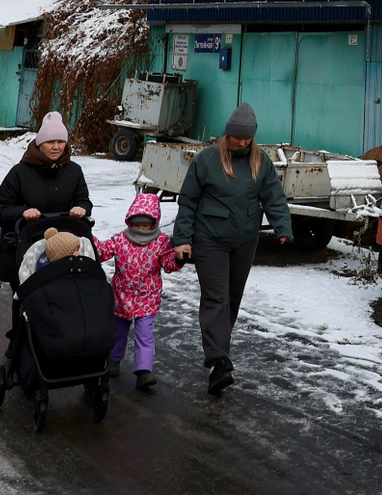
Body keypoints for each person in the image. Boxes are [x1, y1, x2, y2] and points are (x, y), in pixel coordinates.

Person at [171, 103, 290, 395]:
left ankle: (219, 353)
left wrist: (282, 227)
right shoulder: (207, 159)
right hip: (209, 239)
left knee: (232, 298)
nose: (242, 142)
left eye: (247, 138)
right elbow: (188, 200)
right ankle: (218, 361)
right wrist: (182, 238)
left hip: (245, 239)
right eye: (238, 137)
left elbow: (273, 195)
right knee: (216, 298)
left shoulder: (260, 161)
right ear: (227, 134)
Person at [0, 111, 92, 363]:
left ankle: (62, 344)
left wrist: (82, 208)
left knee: (65, 298)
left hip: (64, 249)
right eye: (50, 142)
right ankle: (19, 347)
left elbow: (84, 200)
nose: (56, 147)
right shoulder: (20, 173)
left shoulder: (74, 172)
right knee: (27, 300)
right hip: (26, 249)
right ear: (39, 143)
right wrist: (22, 212)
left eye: (60, 141)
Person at [95, 193, 181, 391]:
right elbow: (103, 251)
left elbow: (168, 264)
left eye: (145, 225)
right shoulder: (121, 239)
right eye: (137, 225)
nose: (140, 229)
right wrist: (87, 237)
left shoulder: (161, 242)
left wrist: (178, 259)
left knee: (144, 335)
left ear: (153, 224)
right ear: (130, 222)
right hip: (121, 296)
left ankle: (143, 371)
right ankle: (113, 361)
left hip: (147, 298)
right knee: (118, 332)